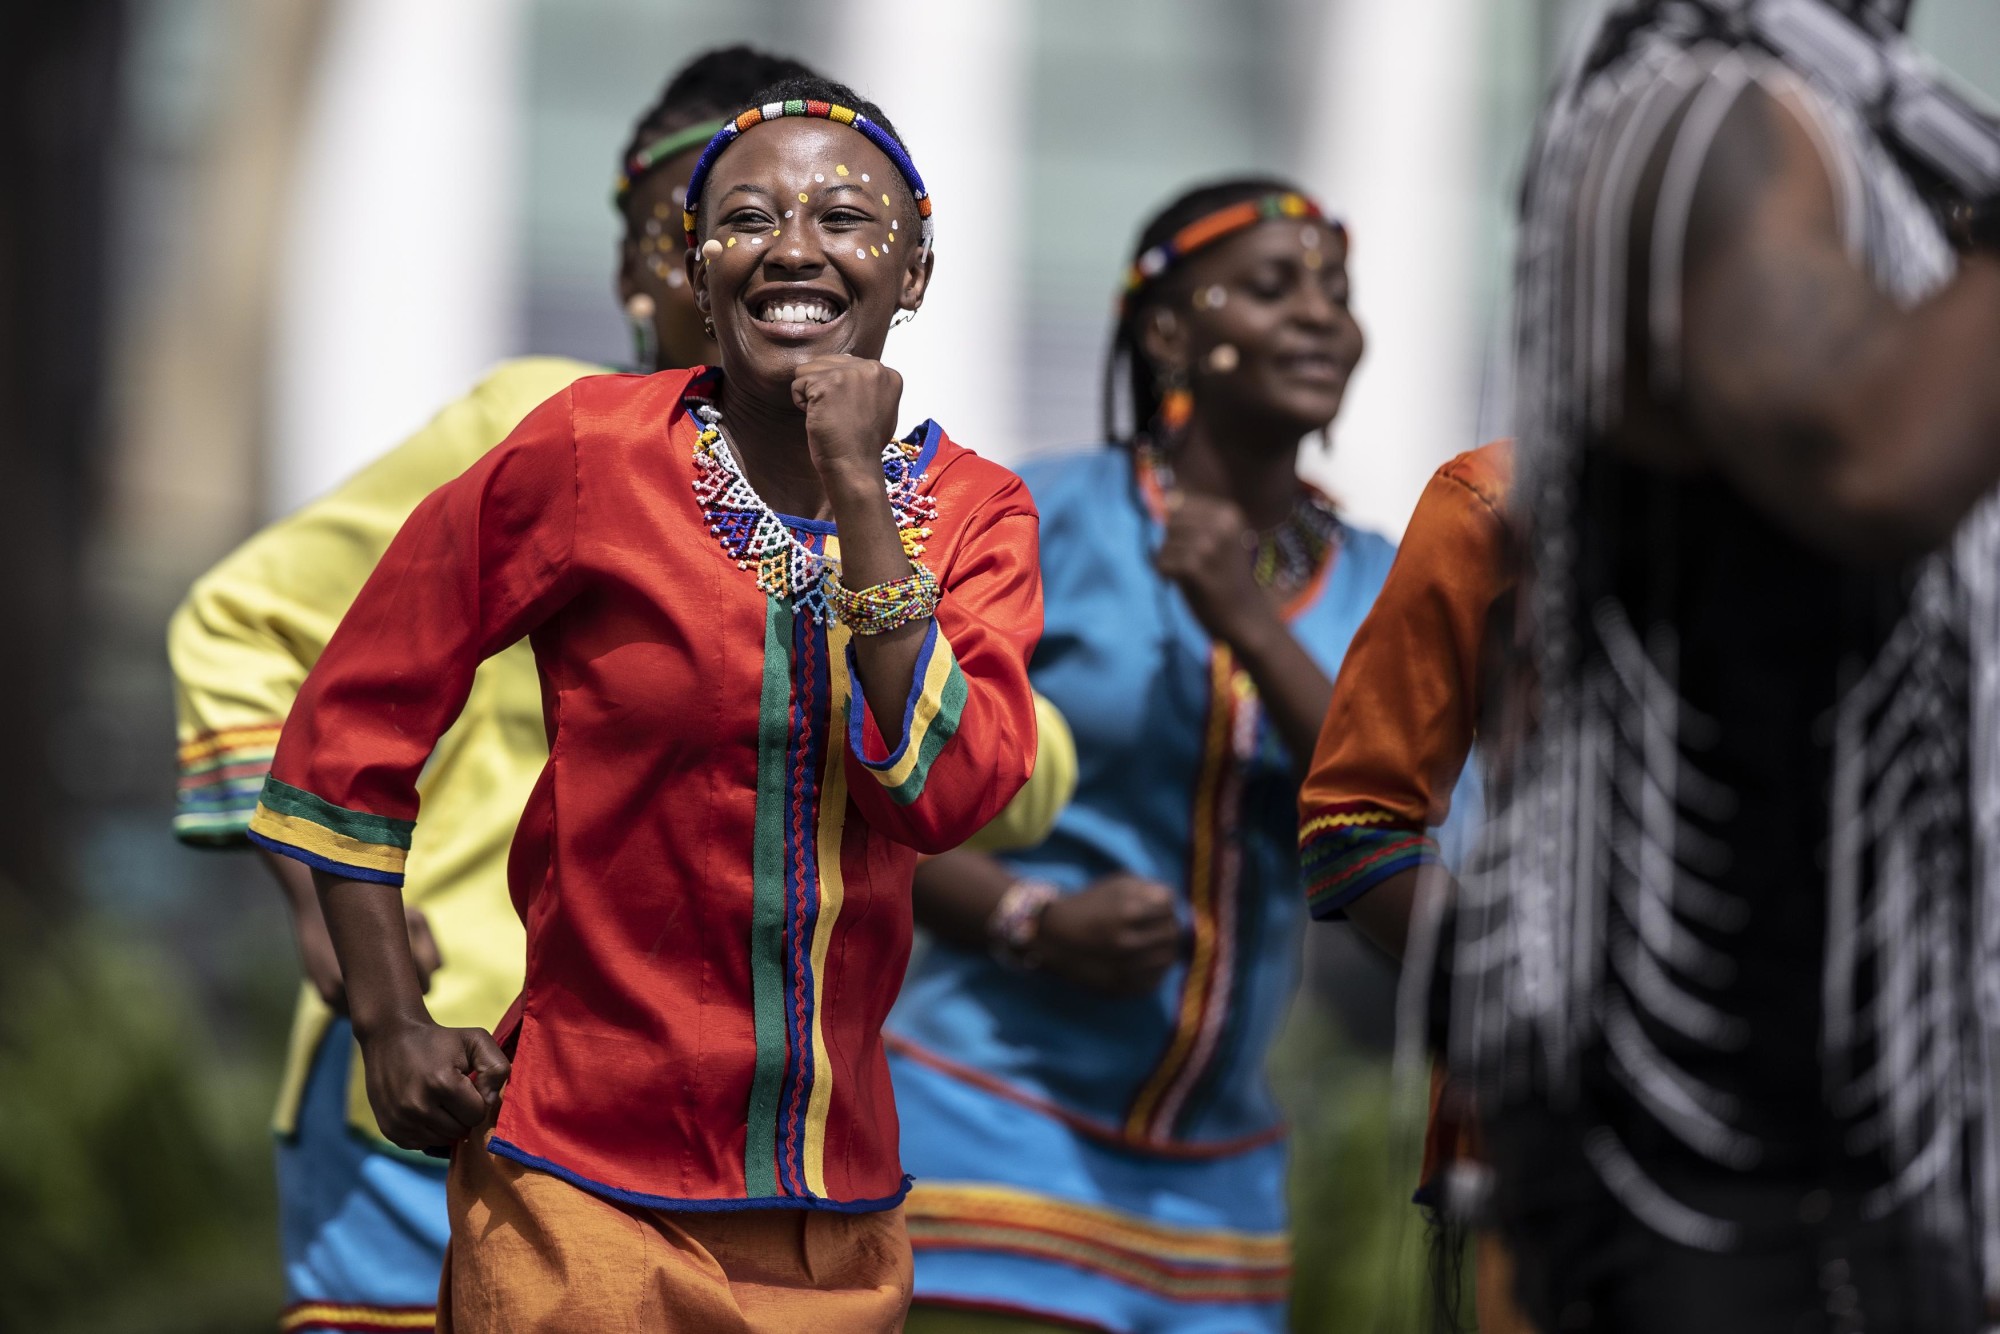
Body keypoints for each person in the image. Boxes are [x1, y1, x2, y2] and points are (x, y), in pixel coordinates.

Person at [245, 74, 1043, 1331]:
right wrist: (389, 1015)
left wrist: (856, 490)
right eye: (744, 218)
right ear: (695, 260)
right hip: (574, 1178)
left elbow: (945, 789)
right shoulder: (588, 451)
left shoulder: (979, 511)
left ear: (915, 270)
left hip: (828, 1211)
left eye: (845, 218)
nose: (793, 247)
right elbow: (356, 711)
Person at [168, 46, 814, 1334]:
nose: (770, 255)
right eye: (721, 219)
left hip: (725, 1124)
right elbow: (240, 619)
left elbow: (1002, 774)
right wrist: (328, 914)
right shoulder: (544, 422)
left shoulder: (881, 499)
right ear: (648, 265)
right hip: (456, 1073)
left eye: (819, 215)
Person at [1442, 1, 2000, 1329]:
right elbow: (1869, 454)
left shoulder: (1886, 148)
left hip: (1847, 1143)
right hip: (1711, 1146)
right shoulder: (1701, 119)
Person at [886, 179, 1473, 1333]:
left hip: (1222, 1201)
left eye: (1335, 293)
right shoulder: (1028, 521)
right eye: (1270, 287)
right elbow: (869, 793)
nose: (1318, 316)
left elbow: (1411, 832)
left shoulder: (1381, 582)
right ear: (1166, 332)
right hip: (983, 1142)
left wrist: (1247, 621)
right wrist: (1029, 919)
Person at [1295, 439, 1530, 1334]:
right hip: (1560, 1144)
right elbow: (1355, 822)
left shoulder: (1927, 480)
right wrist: (1528, 990)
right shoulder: (1498, 501)